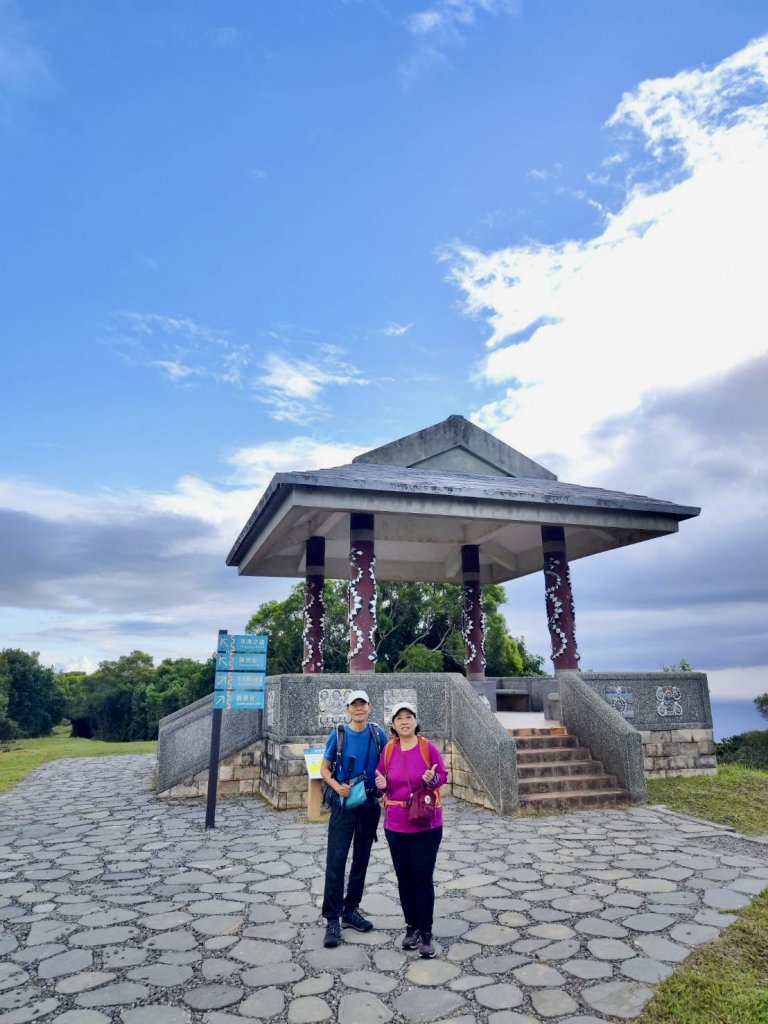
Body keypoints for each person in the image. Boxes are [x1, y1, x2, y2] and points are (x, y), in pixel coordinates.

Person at [374, 701, 447, 959]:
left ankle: (426, 933)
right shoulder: (388, 751)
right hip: (395, 824)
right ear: (393, 725)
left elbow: (443, 776)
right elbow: (381, 781)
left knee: (422, 877)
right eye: (399, 718)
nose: (405, 721)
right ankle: (411, 927)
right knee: (404, 877)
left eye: (409, 716)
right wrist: (381, 785)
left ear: (416, 721)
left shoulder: (428, 748)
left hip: (426, 823)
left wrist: (432, 779)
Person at [320, 690, 388, 949]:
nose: (358, 709)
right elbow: (323, 769)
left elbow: (386, 765)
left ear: (369, 707)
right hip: (343, 804)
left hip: (369, 804)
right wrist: (337, 787)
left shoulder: (377, 734)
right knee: (336, 861)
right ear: (348, 709)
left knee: (361, 859)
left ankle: (351, 910)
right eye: (354, 705)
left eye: (363, 704)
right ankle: (332, 919)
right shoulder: (338, 734)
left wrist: (384, 783)